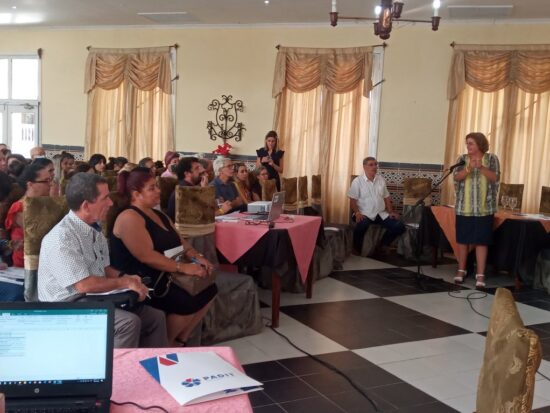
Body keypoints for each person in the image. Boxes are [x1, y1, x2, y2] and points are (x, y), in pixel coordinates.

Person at [37, 172, 168, 348]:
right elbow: (83, 285)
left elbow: (104, 268)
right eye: (105, 198)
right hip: (65, 307)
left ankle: (151, 368)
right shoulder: (62, 238)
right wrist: (125, 282)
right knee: (127, 323)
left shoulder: (94, 230)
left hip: (93, 297)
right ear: (86, 205)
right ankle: (118, 374)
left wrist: (128, 278)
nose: (111, 203)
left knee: (155, 317)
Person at [109, 167, 217, 346]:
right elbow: (146, 256)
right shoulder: (129, 217)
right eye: (152, 188)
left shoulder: (158, 214)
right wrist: (184, 268)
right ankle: (165, 344)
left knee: (210, 289)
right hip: (144, 279)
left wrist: (197, 257)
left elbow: (181, 242)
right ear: (136, 193)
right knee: (186, 302)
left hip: (166, 271)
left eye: (157, 186)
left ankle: (180, 340)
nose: (158, 191)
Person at [453, 132, 500, 288]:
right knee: (463, 240)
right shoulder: (462, 159)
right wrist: (468, 169)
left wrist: (480, 167)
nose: (468, 146)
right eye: (467, 143)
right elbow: (456, 177)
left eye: (471, 143)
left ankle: (480, 275)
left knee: (481, 241)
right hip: (463, 207)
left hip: (484, 209)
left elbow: (495, 177)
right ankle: (461, 270)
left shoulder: (492, 159)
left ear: (480, 144)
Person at [348, 157, 405, 255]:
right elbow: (352, 200)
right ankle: (356, 248)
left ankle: (383, 245)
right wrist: (357, 213)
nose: (374, 167)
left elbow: (386, 197)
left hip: (380, 213)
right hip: (364, 213)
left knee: (399, 226)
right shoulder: (357, 181)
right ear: (364, 167)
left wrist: (391, 212)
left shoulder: (380, 179)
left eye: (375, 164)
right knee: (363, 224)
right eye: (371, 164)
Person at [5, 159, 55, 267]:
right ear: (30, 184)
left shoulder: (44, 203)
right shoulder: (19, 207)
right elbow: (40, 233)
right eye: (46, 181)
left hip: (45, 262)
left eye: (50, 180)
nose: (50, 184)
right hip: (25, 265)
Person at [166, 157, 221, 221]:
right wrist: (205, 190)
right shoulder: (185, 190)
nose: (201, 171)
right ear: (187, 173)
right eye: (197, 168)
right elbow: (204, 214)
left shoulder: (193, 187)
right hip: (185, 229)